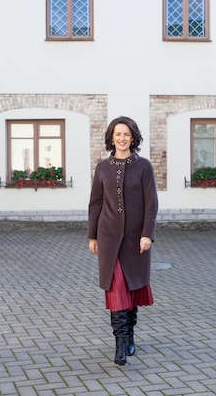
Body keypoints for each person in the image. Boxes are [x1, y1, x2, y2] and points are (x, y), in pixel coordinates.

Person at [87, 116, 159, 366]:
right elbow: (95, 203)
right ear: (111, 137)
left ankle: (129, 337)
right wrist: (92, 235)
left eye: (126, 134)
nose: (121, 138)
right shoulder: (102, 168)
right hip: (108, 239)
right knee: (117, 288)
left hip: (135, 240)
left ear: (133, 137)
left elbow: (151, 204)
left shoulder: (144, 166)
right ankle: (119, 345)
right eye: (117, 134)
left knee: (132, 288)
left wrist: (147, 234)